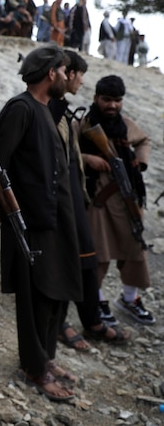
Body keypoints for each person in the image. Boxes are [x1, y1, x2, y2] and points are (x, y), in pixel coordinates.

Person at [0, 45, 82, 403]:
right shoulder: (21, 108)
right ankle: (34, 367)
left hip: (55, 217)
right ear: (51, 74)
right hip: (29, 220)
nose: (67, 76)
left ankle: (45, 357)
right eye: (63, 71)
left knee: (55, 290)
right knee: (35, 296)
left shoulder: (46, 110)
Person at [51, 52, 131, 351]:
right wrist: (87, 159)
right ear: (65, 74)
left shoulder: (64, 110)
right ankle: (64, 324)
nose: (81, 80)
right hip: (70, 200)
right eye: (77, 73)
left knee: (87, 261)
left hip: (77, 198)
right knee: (74, 261)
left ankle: (92, 320)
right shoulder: (62, 115)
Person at [78, 75, 155, 325]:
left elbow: (143, 141)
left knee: (135, 249)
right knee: (99, 253)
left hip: (126, 196)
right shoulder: (84, 123)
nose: (112, 105)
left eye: (117, 101)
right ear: (96, 99)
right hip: (98, 200)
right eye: (107, 100)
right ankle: (97, 300)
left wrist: (139, 161)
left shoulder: (125, 125)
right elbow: (69, 151)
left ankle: (129, 298)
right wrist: (88, 159)